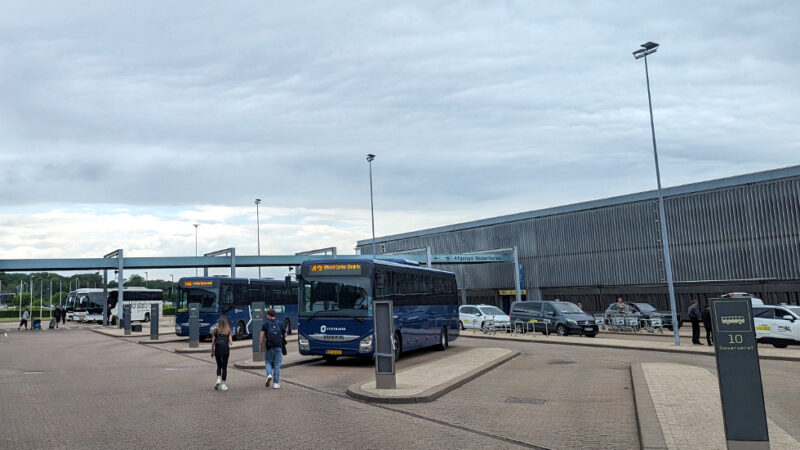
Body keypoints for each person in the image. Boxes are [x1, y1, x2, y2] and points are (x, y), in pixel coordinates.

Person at [259, 308, 286, 389]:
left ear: (268, 315)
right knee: (277, 364)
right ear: (274, 315)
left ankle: (269, 374)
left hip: (269, 346)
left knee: (268, 362)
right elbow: (285, 334)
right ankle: (275, 383)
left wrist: (260, 346)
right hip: (278, 346)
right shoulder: (280, 323)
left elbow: (261, 336)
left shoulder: (265, 324)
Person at [211, 316, 233, 391]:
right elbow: (231, 343)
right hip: (225, 350)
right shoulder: (228, 330)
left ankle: (218, 379)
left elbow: (213, 343)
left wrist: (212, 352)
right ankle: (223, 384)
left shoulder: (215, 331)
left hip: (218, 350)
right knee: (224, 367)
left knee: (219, 365)